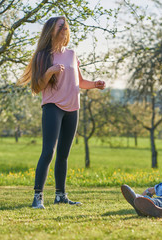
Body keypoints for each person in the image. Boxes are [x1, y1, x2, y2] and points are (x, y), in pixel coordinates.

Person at [17, 16, 105, 209]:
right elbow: (37, 87)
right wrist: (50, 71)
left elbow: (80, 82)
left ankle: (60, 196)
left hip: (73, 108)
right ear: (52, 31)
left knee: (64, 154)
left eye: (66, 27)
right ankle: (37, 197)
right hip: (53, 107)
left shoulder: (72, 54)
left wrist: (95, 85)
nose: (65, 29)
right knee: (48, 151)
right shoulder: (43, 56)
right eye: (61, 27)